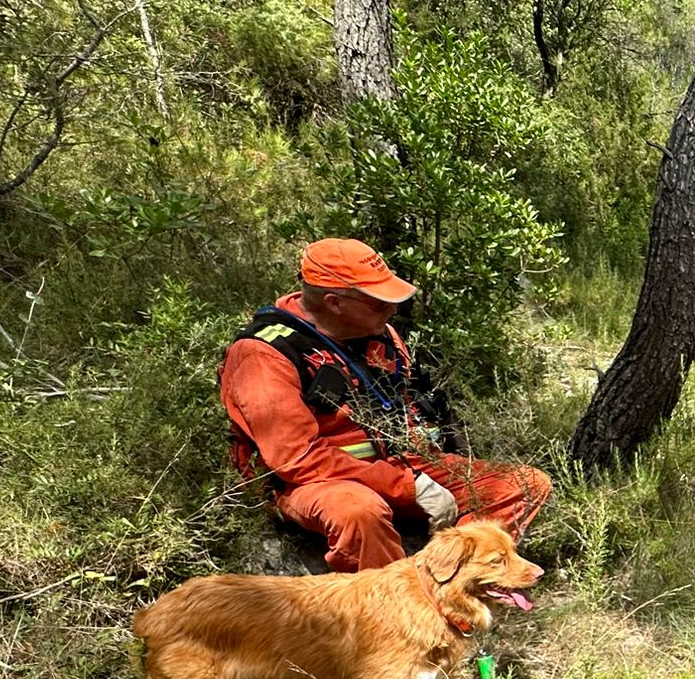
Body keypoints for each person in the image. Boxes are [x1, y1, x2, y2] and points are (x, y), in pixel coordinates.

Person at [220, 238, 551, 572]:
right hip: (314, 483)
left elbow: (406, 406)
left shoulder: (382, 334)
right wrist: (407, 487)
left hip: (397, 464)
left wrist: (430, 464)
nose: (391, 310)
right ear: (335, 303)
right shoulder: (263, 354)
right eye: (379, 303)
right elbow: (297, 460)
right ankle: (389, 609)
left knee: (524, 484)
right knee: (360, 514)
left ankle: (450, 580)